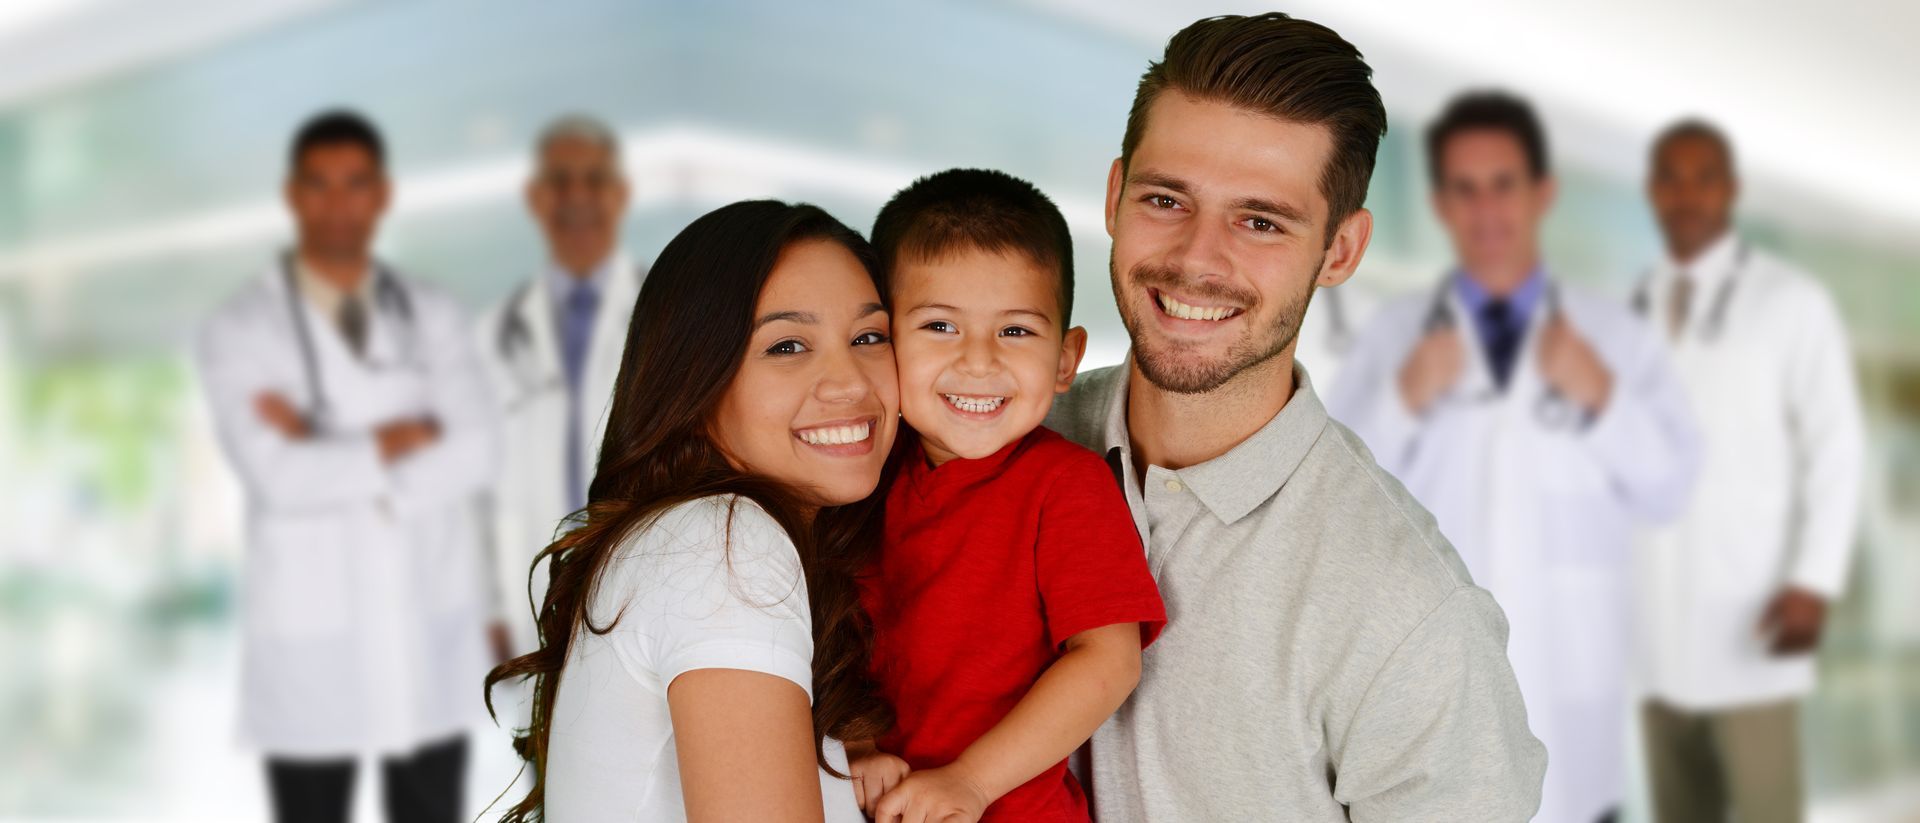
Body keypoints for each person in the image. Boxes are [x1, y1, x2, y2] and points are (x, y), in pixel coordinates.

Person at [1043, 14, 1546, 820]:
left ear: (1341, 252)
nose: (1197, 258)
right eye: (1167, 198)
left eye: (1260, 221)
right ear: (1114, 195)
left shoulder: (1409, 617)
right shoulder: (993, 440)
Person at [1326, 92, 1700, 823]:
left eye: (1503, 184)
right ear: (1440, 204)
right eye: (1464, 189)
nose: (1485, 209)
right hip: (1432, 670)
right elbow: (1334, 487)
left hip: (1573, 670)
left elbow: (1673, 488)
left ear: (1542, 193)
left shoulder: (1615, 338)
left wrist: (1602, 396)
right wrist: (1404, 397)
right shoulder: (1396, 337)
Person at [484, 200, 901, 822]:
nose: (850, 383)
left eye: (869, 337)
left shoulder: (685, 539)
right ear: (695, 378)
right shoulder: (724, 540)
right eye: (787, 346)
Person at [196, 110, 499, 823]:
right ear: (293, 195)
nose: (338, 205)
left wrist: (324, 443)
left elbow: (479, 448)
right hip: (312, 648)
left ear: (383, 195)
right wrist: (404, 436)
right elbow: (276, 475)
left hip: (427, 631)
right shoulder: (242, 327)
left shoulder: (433, 313)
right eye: (319, 185)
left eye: (356, 184)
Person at [847, 168, 1166, 823]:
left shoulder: (1065, 485)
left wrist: (970, 780)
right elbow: (829, 633)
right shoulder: (857, 479)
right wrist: (852, 741)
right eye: (940, 326)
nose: (979, 361)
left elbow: (1108, 662)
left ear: (1064, 360)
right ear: (881, 342)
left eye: (1015, 331)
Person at [1634, 119, 1865, 823]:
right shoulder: (1638, 301)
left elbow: (1837, 446)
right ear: (1653, 191)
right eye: (1671, 177)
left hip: (1754, 616)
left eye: (1705, 177)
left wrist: (1813, 581)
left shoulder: (1791, 302)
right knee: (1680, 811)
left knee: (1767, 810)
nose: (1688, 194)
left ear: (1731, 190)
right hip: (1657, 625)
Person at [478, 114, 643, 658]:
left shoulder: (661, 313)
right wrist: (489, 605)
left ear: (620, 195)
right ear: (535, 197)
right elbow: (470, 486)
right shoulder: (493, 333)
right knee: (542, 739)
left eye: (594, 181)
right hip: (529, 593)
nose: (578, 197)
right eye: (559, 181)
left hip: (640, 585)